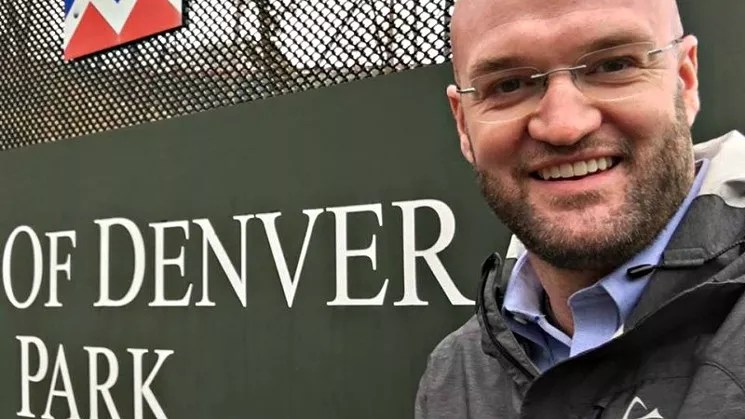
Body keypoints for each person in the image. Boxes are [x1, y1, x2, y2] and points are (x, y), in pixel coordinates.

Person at [415, 0, 745, 417]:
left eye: (612, 66)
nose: (564, 126)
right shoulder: (456, 374)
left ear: (685, 78)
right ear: (464, 124)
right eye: (509, 85)